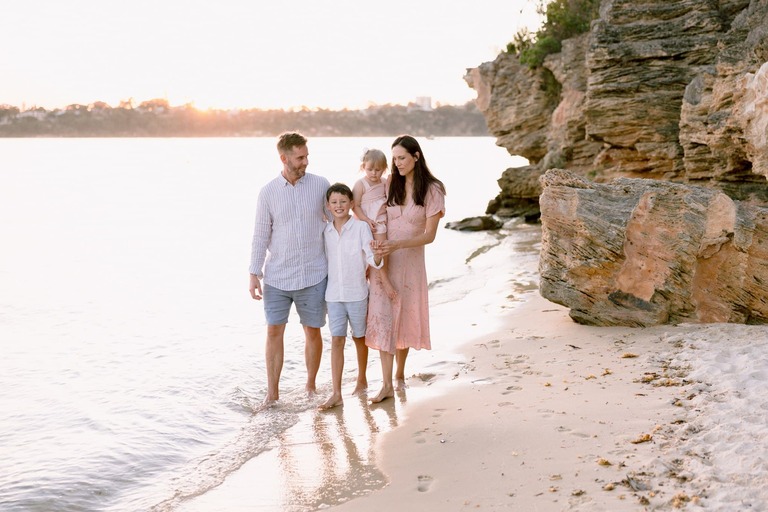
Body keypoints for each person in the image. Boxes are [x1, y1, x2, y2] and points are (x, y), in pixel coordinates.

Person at [249, 132, 330, 406]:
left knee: (313, 331)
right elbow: (260, 234)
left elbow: (336, 224)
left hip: (314, 273)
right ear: (284, 158)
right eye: (300, 157)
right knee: (274, 331)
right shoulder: (268, 193)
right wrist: (253, 273)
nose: (306, 161)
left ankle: (310, 386)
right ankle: (272, 394)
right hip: (277, 277)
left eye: (306, 155)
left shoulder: (321, 185)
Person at [366, 135, 446, 403]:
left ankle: (399, 373)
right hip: (385, 262)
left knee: (403, 316)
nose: (397, 164)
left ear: (416, 156)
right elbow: (364, 201)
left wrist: (397, 244)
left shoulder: (433, 190)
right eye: (394, 159)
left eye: (401, 158)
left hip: (410, 262)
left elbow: (430, 235)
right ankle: (386, 383)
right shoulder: (390, 184)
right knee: (384, 319)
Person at [319, 183, 383, 410]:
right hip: (333, 295)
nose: (339, 206)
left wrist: (376, 256)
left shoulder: (360, 228)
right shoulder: (325, 231)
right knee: (336, 340)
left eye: (343, 202)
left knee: (359, 338)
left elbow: (371, 258)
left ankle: (361, 379)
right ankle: (336, 392)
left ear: (351, 204)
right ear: (328, 206)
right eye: (334, 202)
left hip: (357, 294)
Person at [352, 149, 396, 299]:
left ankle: (384, 278)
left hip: (379, 221)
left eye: (378, 170)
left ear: (384, 169)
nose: (373, 173)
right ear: (363, 167)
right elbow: (355, 206)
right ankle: (363, 281)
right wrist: (365, 219)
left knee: (382, 247)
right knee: (364, 253)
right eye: (370, 169)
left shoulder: (384, 182)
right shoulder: (360, 184)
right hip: (364, 221)